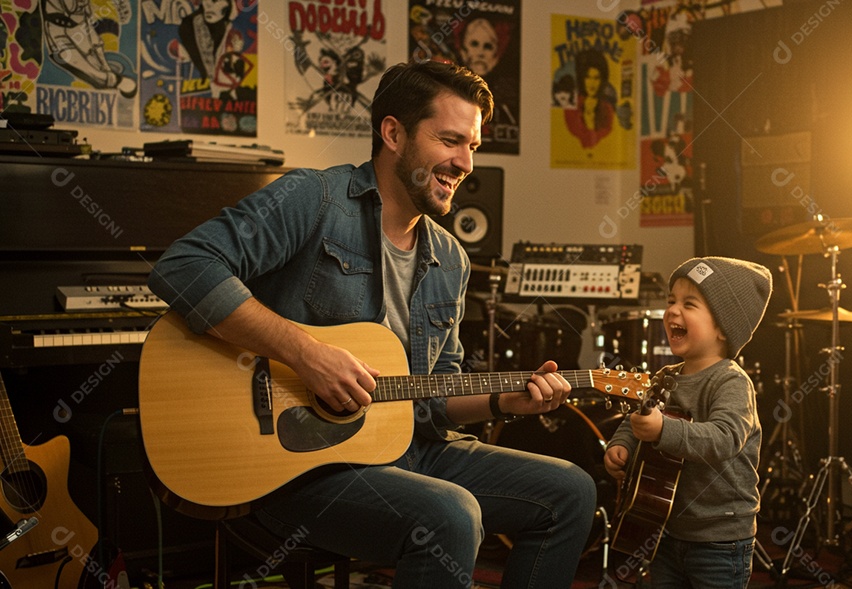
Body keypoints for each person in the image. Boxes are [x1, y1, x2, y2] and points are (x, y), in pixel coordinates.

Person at [148, 60, 596, 588]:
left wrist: (505, 401)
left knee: (572, 491)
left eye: (472, 146)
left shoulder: (450, 257)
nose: (465, 163)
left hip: (408, 450)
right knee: (450, 514)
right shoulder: (313, 200)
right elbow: (183, 266)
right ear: (392, 132)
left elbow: (431, 397)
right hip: (300, 465)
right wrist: (305, 354)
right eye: (450, 140)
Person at [604, 257, 772, 589]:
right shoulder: (665, 377)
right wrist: (621, 443)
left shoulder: (730, 382)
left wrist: (663, 430)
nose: (672, 311)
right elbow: (638, 419)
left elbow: (724, 439)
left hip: (719, 539)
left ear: (723, 327)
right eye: (671, 301)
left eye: (689, 304)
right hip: (665, 528)